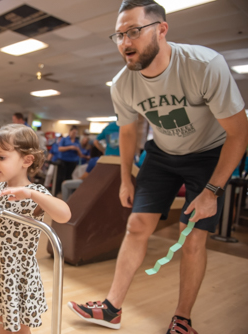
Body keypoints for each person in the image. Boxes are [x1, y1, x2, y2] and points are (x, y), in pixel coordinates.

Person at [68, 1, 248, 333]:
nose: (125, 42)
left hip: (209, 155)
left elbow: (239, 134)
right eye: (119, 35)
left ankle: (182, 320)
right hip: (162, 155)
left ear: (161, 30)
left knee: (191, 236)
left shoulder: (204, 65)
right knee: (136, 226)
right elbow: (128, 131)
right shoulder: (123, 84)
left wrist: (212, 191)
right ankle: (111, 309)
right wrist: (125, 178)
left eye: (134, 31)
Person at [0, 124, 71, 334]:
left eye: (1, 157)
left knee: (18, 326)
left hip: (16, 272)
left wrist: (33, 195)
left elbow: (64, 214)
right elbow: (0, 198)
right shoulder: (3, 187)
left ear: (27, 160)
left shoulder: (34, 192)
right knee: (4, 320)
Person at [55, 126, 89, 196]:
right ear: (70, 132)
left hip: (72, 161)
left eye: (76, 133)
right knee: (61, 177)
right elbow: (60, 149)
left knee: (69, 177)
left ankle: (67, 193)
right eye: (73, 132)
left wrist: (77, 149)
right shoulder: (64, 139)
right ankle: (57, 192)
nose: (74, 134)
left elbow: (80, 154)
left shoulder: (77, 142)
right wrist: (70, 147)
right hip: (63, 161)